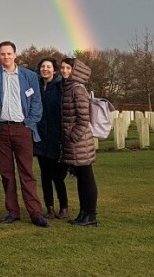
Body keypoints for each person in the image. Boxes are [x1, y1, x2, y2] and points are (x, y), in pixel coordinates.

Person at [0, 41, 49, 227]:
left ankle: (35, 213)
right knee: (6, 173)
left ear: (15, 55)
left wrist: (29, 123)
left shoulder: (29, 76)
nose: (6, 57)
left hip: (23, 129)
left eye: (9, 54)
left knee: (26, 172)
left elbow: (36, 102)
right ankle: (13, 211)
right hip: (0, 131)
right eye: (2, 54)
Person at [61, 58, 99, 226]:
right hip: (74, 142)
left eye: (68, 68)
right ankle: (83, 213)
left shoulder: (77, 89)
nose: (64, 71)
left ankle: (90, 215)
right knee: (82, 179)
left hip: (80, 142)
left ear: (75, 70)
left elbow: (84, 118)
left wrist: (72, 136)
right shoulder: (68, 88)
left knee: (87, 177)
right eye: (62, 68)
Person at [35, 57, 68, 219]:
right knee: (45, 175)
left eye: (48, 67)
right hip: (41, 137)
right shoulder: (37, 86)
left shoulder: (61, 87)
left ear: (54, 70)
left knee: (58, 176)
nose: (45, 69)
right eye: (42, 66)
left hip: (57, 136)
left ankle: (64, 206)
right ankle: (49, 207)